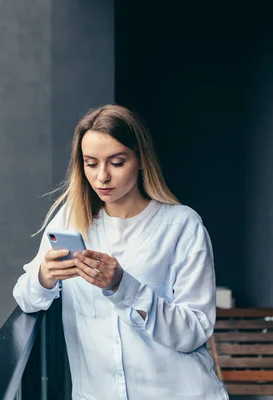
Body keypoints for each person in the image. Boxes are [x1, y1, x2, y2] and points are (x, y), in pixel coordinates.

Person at [12, 104, 228, 400]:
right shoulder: (70, 220)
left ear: (140, 160)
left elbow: (194, 332)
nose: (102, 177)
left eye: (116, 162)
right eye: (91, 163)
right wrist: (44, 275)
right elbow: (25, 298)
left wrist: (123, 286)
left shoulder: (182, 225)